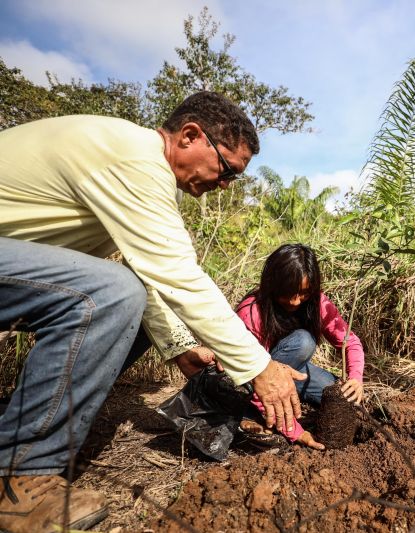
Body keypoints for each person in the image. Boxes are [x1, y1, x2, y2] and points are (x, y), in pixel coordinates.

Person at [0, 91, 306, 532]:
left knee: (127, 293)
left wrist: (180, 349)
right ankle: (19, 477)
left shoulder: (135, 164)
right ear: (190, 136)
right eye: (227, 171)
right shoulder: (133, 159)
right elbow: (178, 276)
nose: (224, 186)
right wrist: (259, 367)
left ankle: (25, 419)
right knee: (109, 292)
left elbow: (148, 276)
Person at [236, 243, 365, 450]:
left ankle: (281, 398)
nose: (296, 302)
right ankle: (250, 412)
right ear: (273, 285)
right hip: (255, 377)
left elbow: (350, 341)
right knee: (304, 342)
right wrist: (296, 432)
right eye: (288, 293)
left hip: (295, 372)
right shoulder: (252, 312)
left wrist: (355, 378)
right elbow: (248, 372)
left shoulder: (318, 304)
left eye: (303, 293)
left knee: (340, 395)